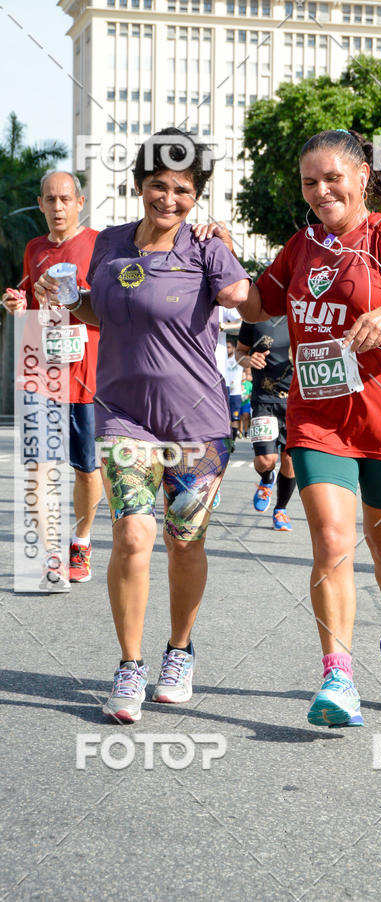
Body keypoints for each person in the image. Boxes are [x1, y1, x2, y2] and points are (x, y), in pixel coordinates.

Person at [229, 129, 381, 727]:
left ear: (362, 176)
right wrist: (220, 251)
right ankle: (338, 675)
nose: (321, 191)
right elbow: (259, 305)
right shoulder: (301, 246)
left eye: (332, 177)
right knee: (332, 543)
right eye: (310, 182)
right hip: (318, 418)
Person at [34, 128, 251, 722]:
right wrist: (66, 297)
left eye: (184, 190)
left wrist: (227, 247)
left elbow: (241, 296)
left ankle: (178, 651)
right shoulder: (106, 245)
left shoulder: (207, 247)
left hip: (200, 423)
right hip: (125, 415)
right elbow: (94, 309)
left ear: (196, 196)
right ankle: (129, 667)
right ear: (139, 185)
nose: (170, 199)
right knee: (133, 534)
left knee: (185, 543)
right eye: (160, 186)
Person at [2, 171, 103, 589]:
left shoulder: (100, 245)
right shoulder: (34, 248)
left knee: (85, 468)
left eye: (65, 199)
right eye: (50, 200)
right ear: (40, 204)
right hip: (42, 371)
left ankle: (80, 540)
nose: (58, 207)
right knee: (39, 465)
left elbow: (112, 301)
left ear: (80, 203)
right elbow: (28, 294)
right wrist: (16, 302)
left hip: (87, 373)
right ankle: (51, 555)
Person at [235, 316, 296, 531]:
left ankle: (281, 509)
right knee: (265, 460)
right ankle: (267, 478)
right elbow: (239, 352)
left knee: (290, 460)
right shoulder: (255, 316)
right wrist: (248, 360)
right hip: (265, 399)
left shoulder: (307, 314)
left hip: (297, 401)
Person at [224, 338, 244, 443]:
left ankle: (233, 441)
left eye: (229, 347)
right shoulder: (222, 359)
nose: (227, 349)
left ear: (234, 348)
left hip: (236, 392)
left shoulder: (239, 359)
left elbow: (248, 372)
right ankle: (226, 439)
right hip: (225, 390)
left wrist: (244, 381)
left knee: (235, 417)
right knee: (225, 417)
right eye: (225, 347)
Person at [240, 367, 252, 437]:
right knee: (240, 418)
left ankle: (246, 432)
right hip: (238, 402)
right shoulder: (237, 382)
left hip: (246, 403)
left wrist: (248, 395)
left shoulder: (249, 384)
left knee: (246, 417)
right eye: (241, 375)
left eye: (244, 375)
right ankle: (240, 432)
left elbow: (252, 392)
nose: (243, 377)